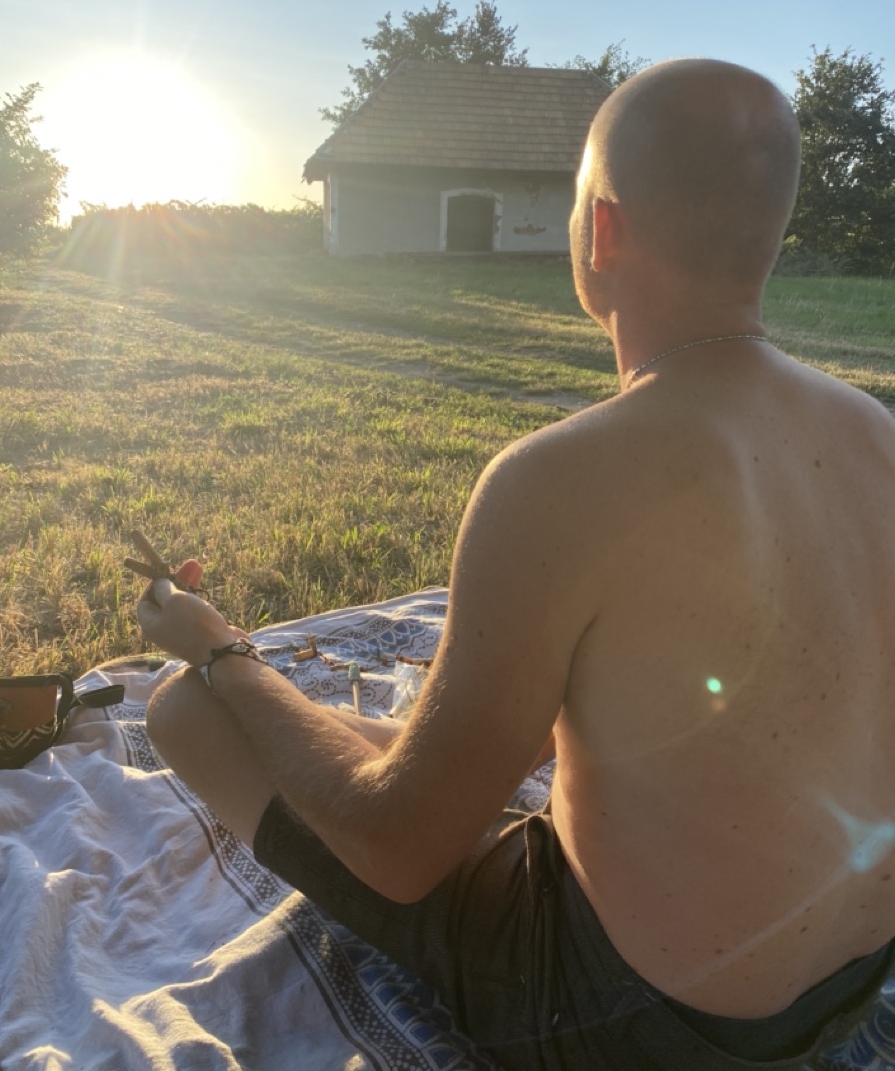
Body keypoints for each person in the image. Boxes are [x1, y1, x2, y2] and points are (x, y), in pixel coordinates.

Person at [139, 58, 895, 1069]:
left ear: (602, 229)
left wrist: (224, 647)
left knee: (185, 710)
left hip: (640, 1020)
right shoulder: (876, 433)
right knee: (367, 735)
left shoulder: (559, 479)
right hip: (849, 980)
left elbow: (400, 849)